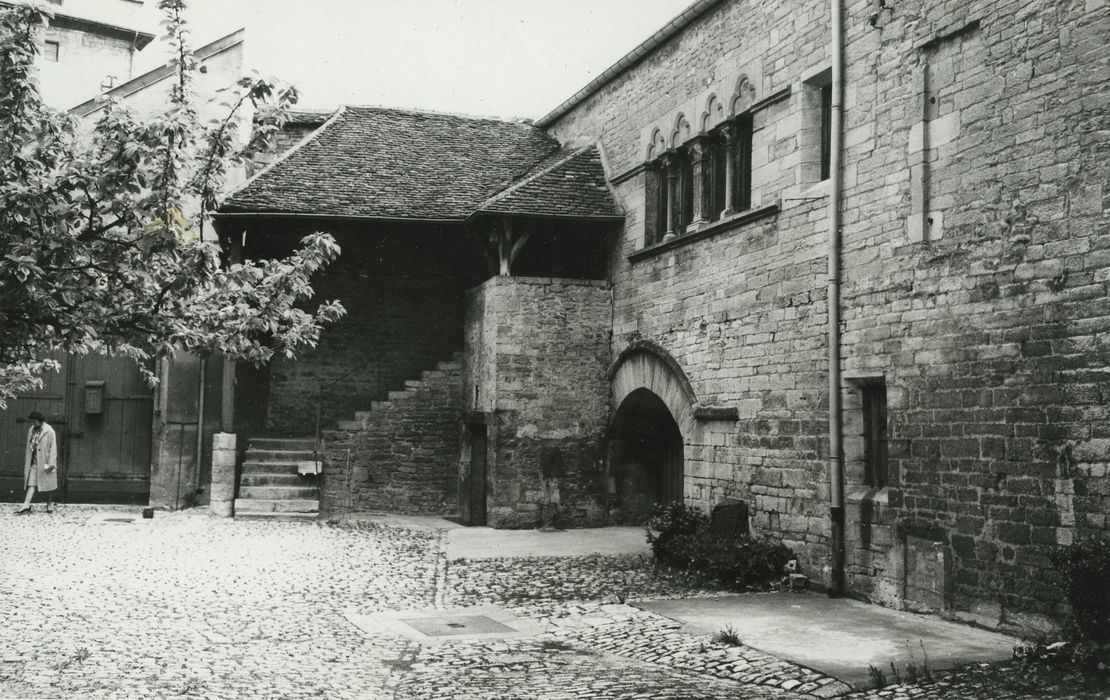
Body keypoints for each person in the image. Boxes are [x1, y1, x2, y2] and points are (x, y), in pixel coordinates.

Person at [16, 410, 57, 514]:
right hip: (34, 462)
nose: (33, 423)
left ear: (40, 421)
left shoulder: (50, 431)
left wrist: (51, 464)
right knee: (31, 483)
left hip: (45, 461)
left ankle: (49, 504)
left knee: (48, 485)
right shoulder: (31, 430)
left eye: (34, 421)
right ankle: (26, 505)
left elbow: (53, 449)